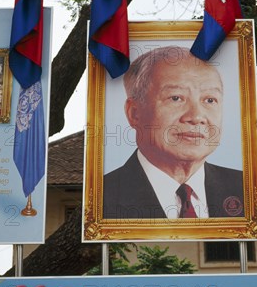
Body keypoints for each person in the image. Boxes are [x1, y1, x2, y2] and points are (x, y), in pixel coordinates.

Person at [103, 46, 244, 219]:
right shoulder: (102, 198)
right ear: (135, 113)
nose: (197, 116)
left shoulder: (245, 188)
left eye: (209, 100)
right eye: (176, 98)